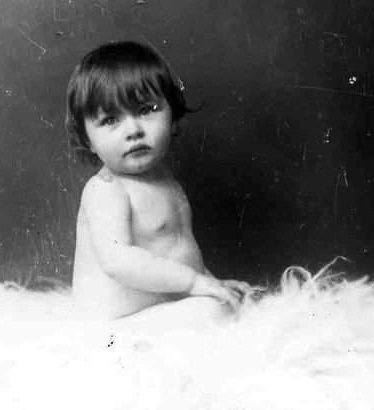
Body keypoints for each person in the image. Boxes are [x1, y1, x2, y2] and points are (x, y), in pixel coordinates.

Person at [65, 41, 251, 329]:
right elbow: (118, 261)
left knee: (227, 304)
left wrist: (210, 282)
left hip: (154, 312)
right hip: (111, 328)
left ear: (173, 117)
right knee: (214, 313)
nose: (133, 130)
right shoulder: (105, 189)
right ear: (87, 139)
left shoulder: (164, 179)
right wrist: (193, 283)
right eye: (111, 119)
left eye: (145, 110)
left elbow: (180, 249)